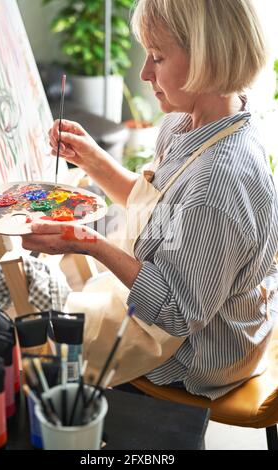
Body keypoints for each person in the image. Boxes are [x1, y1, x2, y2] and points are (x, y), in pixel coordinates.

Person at [22, 0, 278, 400]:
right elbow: (157, 208)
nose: (143, 73)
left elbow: (176, 314)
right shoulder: (190, 121)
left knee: (46, 338)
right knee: (58, 306)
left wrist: (85, 241)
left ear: (207, 58)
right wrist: (92, 158)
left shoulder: (218, 184)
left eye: (157, 58)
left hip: (201, 352)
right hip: (188, 301)